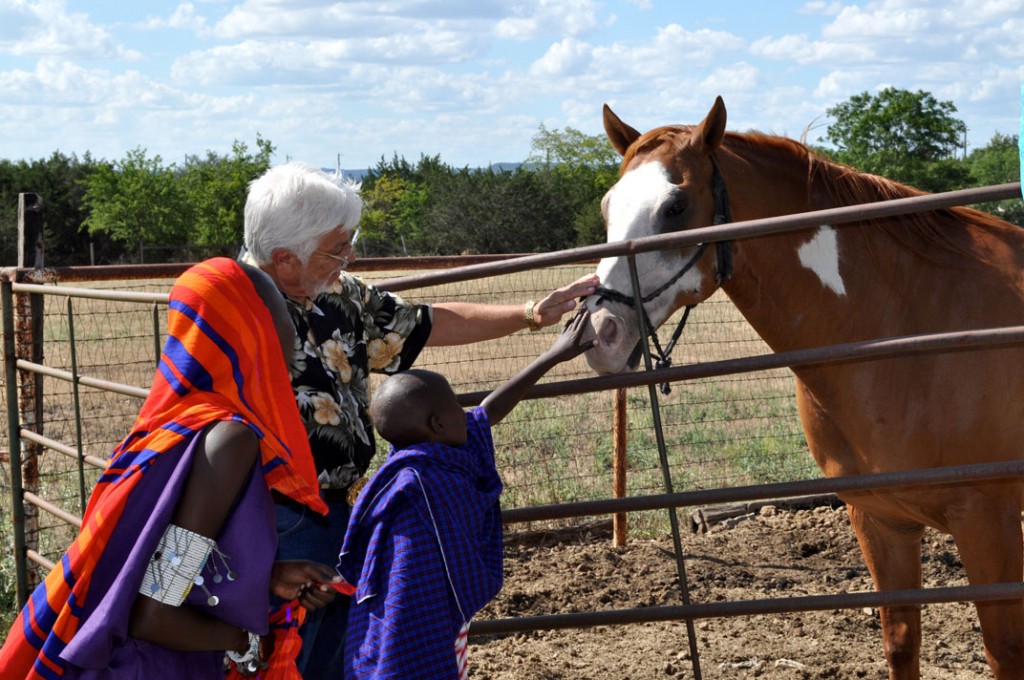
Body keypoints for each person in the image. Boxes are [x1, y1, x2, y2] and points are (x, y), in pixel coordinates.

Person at [241, 160, 599, 678]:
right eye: (336, 247)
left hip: (341, 508)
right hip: (273, 522)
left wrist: (529, 315)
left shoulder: (338, 293)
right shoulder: (233, 312)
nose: (350, 256)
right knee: (279, 651)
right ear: (284, 259)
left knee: (336, 653)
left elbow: (422, 324)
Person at [0, 258, 341, 680]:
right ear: (251, 330)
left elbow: (166, 560)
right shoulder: (229, 440)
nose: (294, 334)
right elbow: (155, 610)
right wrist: (250, 641)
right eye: (282, 315)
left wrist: (266, 577)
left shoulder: (171, 421)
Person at [338, 308, 595, 679]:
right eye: (458, 406)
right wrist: (552, 354)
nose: (467, 413)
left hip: (377, 633)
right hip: (416, 627)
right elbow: (413, 581)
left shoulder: (406, 469)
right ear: (439, 424)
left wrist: (553, 354)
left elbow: (488, 412)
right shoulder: (424, 485)